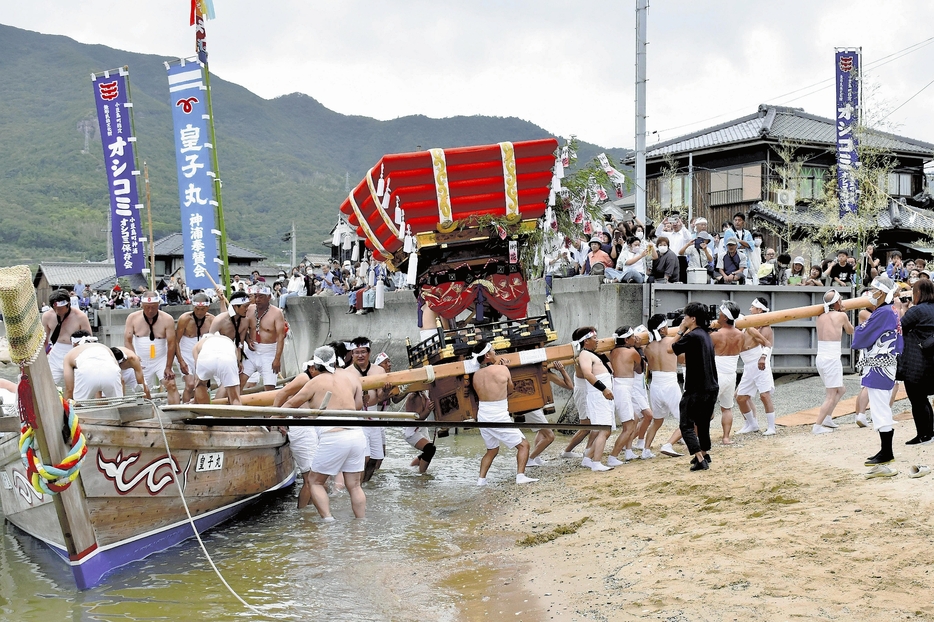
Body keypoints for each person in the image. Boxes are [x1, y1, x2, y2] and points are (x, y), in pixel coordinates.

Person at [284, 345, 367, 518]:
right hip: (357, 434)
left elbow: (291, 405)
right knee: (355, 485)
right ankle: (361, 523)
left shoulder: (315, 382)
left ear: (316, 364)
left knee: (315, 481)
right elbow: (358, 405)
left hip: (334, 435)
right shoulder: (352, 378)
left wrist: (273, 419)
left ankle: (328, 521)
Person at [470, 339, 538, 484]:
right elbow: (510, 389)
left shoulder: (476, 375)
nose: (496, 352)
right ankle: (520, 476)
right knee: (523, 445)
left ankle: (481, 481)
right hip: (498, 414)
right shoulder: (503, 369)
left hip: (482, 414)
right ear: (487, 355)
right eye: (493, 350)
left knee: (492, 450)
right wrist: (505, 368)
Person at [853, 276, 903, 470]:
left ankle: (887, 451)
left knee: (880, 407)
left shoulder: (883, 312)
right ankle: (885, 450)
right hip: (883, 363)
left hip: (880, 364)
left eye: (874, 290)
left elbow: (863, 335)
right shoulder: (889, 310)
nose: (871, 294)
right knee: (880, 405)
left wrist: (860, 328)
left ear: (881, 292)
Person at [670, 303, 720, 471]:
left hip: (696, 387)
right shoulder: (705, 334)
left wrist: (680, 329)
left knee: (686, 424)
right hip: (711, 385)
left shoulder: (692, 335)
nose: (683, 319)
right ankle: (705, 453)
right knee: (703, 423)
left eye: (686, 317)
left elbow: (673, 348)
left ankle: (699, 458)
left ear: (692, 318)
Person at [896, 279, 934, 444]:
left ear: (918, 293)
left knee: (918, 399)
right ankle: (931, 433)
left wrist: (904, 309)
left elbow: (899, 327)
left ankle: (923, 434)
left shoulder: (917, 311)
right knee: (926, 398)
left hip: (917, 361)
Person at [124, 291, 180, 404]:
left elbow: (171, 343)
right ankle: (147, 416)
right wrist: (134, 358)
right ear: (142, 306)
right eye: (147, 307)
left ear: (158, 304)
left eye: (153, 307)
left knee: (171, 385)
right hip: (141, 359)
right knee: (143, 391)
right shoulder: (132, 318)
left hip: (161, 358)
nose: (150, 311)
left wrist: (168, 366)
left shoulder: (167, 319)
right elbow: (127, 340)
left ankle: (175, 414)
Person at [812, 289, 855, 434]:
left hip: (821, 357)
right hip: (831, 358)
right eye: (840, 300)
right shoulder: (841, 315)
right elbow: (850, 331)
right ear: (837, 302)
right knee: (831, 395)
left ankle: (827, 418)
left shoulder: (820, 316)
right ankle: (817, 426)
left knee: (841, 389)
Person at [347, 337, 389, 483]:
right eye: (356, 352)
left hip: (373, 413)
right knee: (363, 456)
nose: (360, 355)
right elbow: (343, 400)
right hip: (357, 416)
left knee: (376, 457)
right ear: (352, 354)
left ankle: (364, 483)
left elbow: (380, 396)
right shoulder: (347, 373)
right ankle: (356, 486)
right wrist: (357, 402)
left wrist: (386, 391)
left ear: (369, 353)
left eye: (363, 352)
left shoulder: (379, 370)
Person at [643, 315, 683, 457]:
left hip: (655, 384)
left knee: (657, 420)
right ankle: (669, 444)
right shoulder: (671, 341)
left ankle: (646, 450)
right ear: (663, 328)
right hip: (669, 383)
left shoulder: (647, 346)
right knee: (685, 419)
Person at [735, 297, 777, 436]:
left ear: (759, 309)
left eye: (752, 307)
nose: (750, 309)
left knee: (764, 396)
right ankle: (752, 424)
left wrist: (763, 357)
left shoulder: (765, 326)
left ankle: (772, 427)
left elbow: (767, 344)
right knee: (740, 397)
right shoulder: (747, 324)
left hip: (760, 363)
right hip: (748, 365)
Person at [523, 361, 574, 467]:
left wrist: (562, 370)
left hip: (532, 406)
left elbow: (570, 386)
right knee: (550, 436)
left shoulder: (544, 372)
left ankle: (536, 458)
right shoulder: (540, 372)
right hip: (530, 407)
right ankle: (530, 459)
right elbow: (570, 386)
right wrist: (562, 370)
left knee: (542, 431)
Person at [606, 327, 642, 466]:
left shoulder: (613, 351)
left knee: (636, 418)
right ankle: (613, 457)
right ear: (627, 339)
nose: (635, 338)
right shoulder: (632, 352)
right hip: (623, 388)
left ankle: (628, 450)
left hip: (620, 386)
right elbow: (639, 369)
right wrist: (639, 348)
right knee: (628, 426)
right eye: (633, 337)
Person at [41, 289, 93, 385]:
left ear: (68, 304)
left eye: (60, 308)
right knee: (47, 383)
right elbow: (44, 340)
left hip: (75, 351)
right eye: (55, 308)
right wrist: (42, 359)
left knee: (74, 386)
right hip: (56, 351)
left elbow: (89, 340)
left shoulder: (80, 316)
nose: (57, 311)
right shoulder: (47, 316)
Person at [710, 301, 745, 444]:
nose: (718, 314)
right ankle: (726, 437)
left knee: (705, 408)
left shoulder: (716, 335)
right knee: (727, 407)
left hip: (716, 373)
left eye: (720, 313)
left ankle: (698, 437)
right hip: (731, 373)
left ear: (725, 317)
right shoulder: (740, 335)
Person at [240, 285, 286, 391]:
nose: (257, 300)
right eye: (255, 296)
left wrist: (277, 359)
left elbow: (280, 337)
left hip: (269, 352)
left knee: (269, 387)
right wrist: (247, 339)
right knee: (239, 382)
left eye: (261, 297)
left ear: (269, 297)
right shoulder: (250, 309)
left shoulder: (277, 313)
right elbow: (240, 327)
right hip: (251, 351)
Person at [175, 293, 215, 403]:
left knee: (201, 385)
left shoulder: (212, 320)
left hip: (203, 354)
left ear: (208, 307)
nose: (199, 312)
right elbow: (175, 341)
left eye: (203, 309)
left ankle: (199, 411)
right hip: (185, 353)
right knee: (190, 384)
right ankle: (185, 410)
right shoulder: (185, 319)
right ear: (193, 307)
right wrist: (181, 361)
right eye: (197, 309)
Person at [62, 331, 122, 403]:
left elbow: (69, 389)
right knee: (118, 403)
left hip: (86, 373)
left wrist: (64, 409)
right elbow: (118, 373)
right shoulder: (105, 347)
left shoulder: (70, 354)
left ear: (74, 344)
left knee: (78, 405)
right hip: (112, 373)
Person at [191, 333, 242, 405]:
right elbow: (236, 362)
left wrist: (196, 399)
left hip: (206, 358)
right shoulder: (229, 341)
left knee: (200, 384)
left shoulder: (198, 345)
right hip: (227, 358)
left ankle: (205, 414)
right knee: (235, 398)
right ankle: (237, 414)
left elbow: (197, 374)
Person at [402, 391, 438, 474]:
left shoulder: (424, 393)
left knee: (428, 451)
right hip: (412, 430)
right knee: (430, 449)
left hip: (420, 428)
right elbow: (418, 418)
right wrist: (428, 410)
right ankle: (422, 474)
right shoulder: (413, 396)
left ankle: (412, 468)